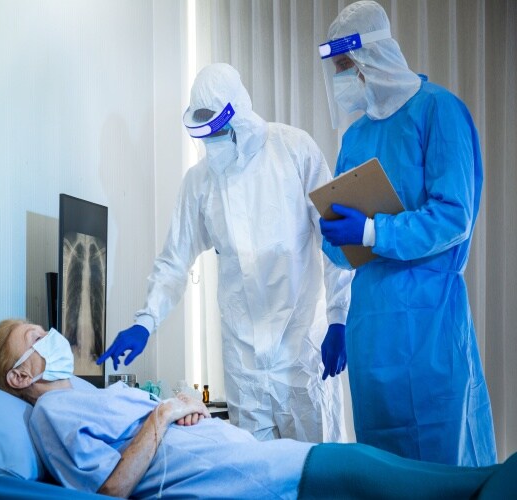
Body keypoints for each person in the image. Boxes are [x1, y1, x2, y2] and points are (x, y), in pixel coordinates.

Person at [97, 62, 353, 443]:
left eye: (218, 130)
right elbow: (174, 260)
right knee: (256, 475)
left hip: (302, 349)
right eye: (205, 133)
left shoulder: (294, 151)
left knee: (317, 472)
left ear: (240, 117)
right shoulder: (200, 184)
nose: (212, 142)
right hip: (244, 361)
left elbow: (336, 238)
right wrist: (145, 321)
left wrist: (338, 317)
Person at [0, 320, 514, 499]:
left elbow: (147, 429)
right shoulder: (49, 416)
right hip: (260, 478)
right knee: (398, 476)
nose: (51, 337)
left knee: (443, 482)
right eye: (35, 336)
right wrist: (163, 416)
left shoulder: (86, 396)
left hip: (263, 461)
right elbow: (112, 489)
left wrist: (177, 410)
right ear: (20, 375)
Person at [317, 0, 496, 466]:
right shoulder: (355, 138)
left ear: (373, 58)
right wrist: (335, 236)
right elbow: (345, 251)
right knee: (384, 473)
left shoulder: (438, 111)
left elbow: (454, 217)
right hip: (371, 334)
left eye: (346, 66)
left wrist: (373, 231)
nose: (343, 78)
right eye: (337, 69)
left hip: (429, 328)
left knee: (441, 467)